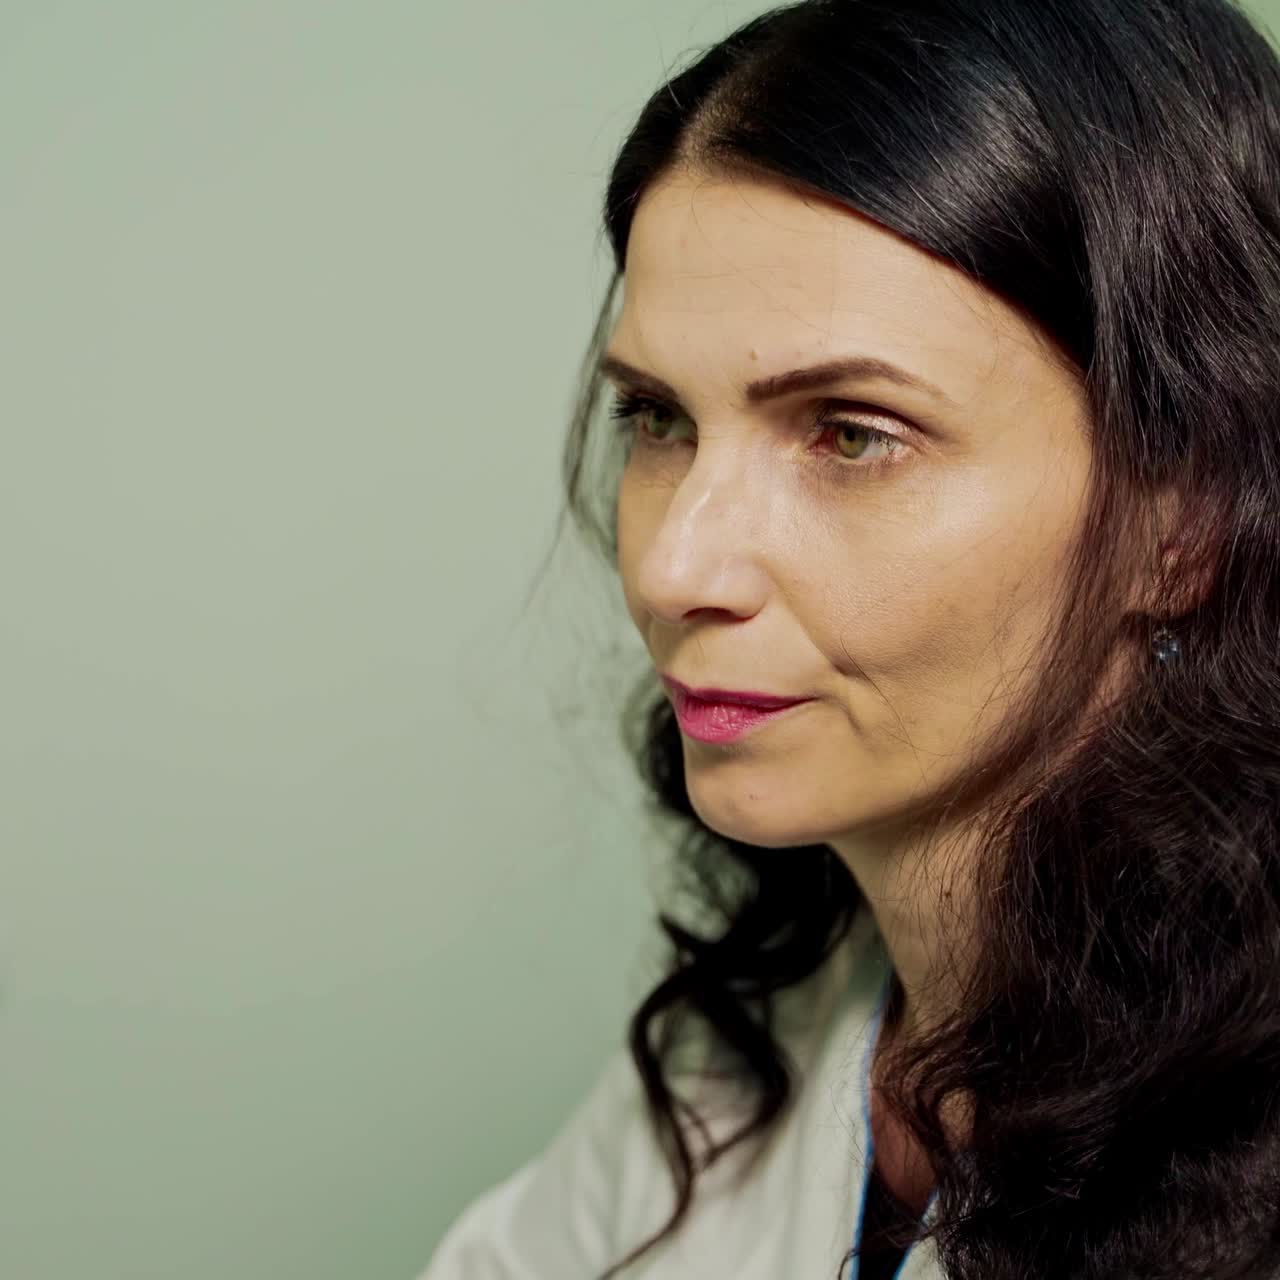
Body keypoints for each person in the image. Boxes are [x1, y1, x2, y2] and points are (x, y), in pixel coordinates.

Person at [422, 0, 1280, 1275]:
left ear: (1186, 521)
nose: (672, 566)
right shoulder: (749, 1059)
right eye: (657, 418)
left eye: (849, 432)